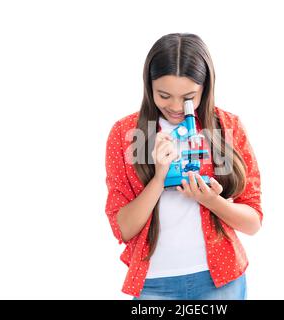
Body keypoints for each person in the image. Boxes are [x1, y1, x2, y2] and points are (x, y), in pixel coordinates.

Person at [105, 33, 263, 300]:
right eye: (164, 95)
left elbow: (253, 222)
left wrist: (212, 201)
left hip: (221, 280)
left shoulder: (227, 127)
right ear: (148, 86)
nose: (176, 107)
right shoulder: (125, 133)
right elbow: (123, 228)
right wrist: (158, 179)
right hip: (154, 284)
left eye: (189, 96)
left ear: (205, 87)